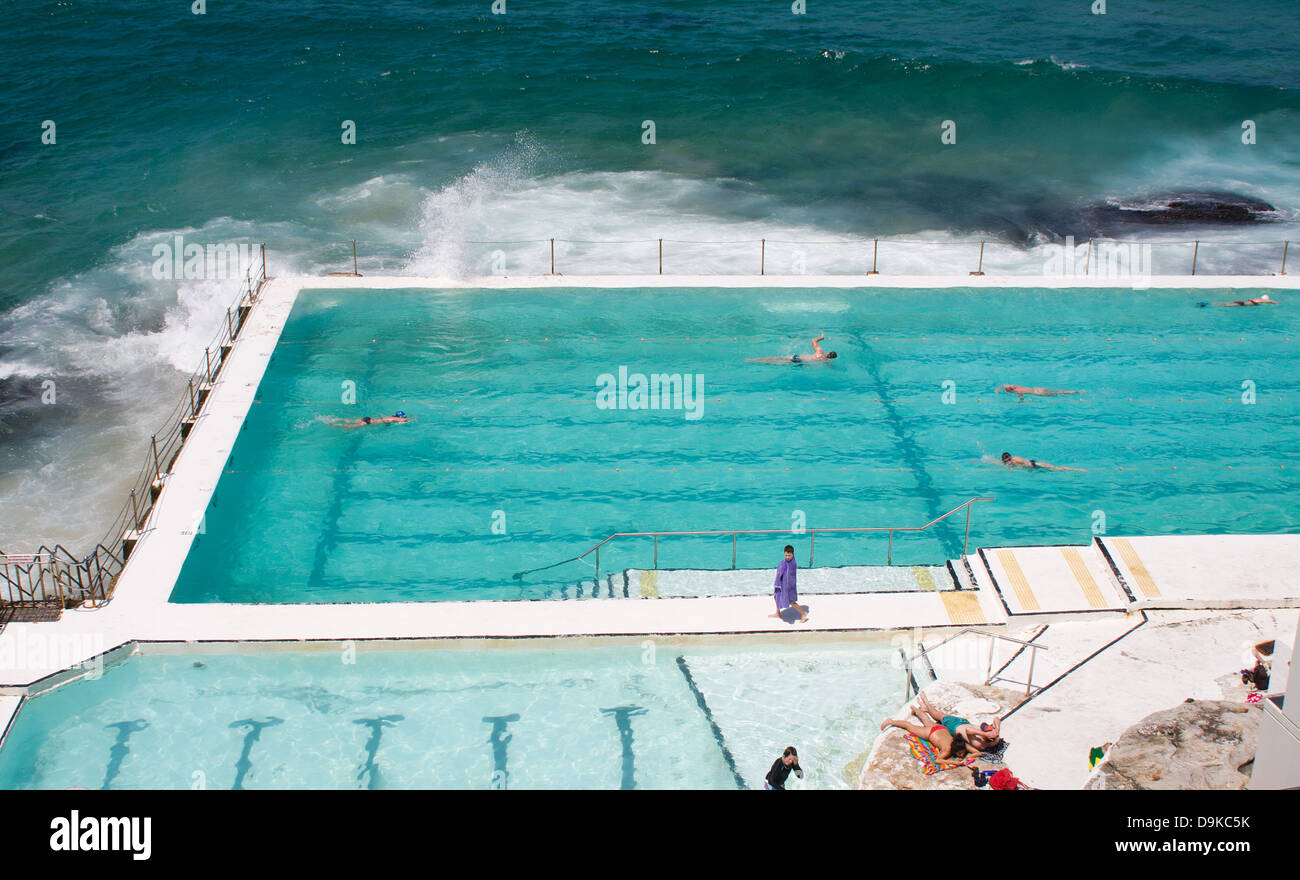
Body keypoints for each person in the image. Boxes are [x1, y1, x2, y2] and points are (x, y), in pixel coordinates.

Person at [878, 698, 970, 762]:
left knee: (926, 719)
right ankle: (890, 722)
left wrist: (966, 757)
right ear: (955, 749)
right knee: (909, 726)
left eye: (963, 753)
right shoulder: (948, 751)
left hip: (941, 729)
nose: (962, 755)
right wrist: (956, 763)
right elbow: (938, 760)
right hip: (931, 733)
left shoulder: (960, 743)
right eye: (961, 753)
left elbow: (977, 753)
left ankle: (915, 709)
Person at [769, 544, 808, 622]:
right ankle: (778, 613)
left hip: (789, 587)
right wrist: (778, 583)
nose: (787, 557)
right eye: (786, 555)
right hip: (782, 584)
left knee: (791, 601)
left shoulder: (792, 564)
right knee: (777, 597)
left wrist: (785, 587)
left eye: (789, 555)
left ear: (793, 555)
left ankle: (803, 614)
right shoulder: (784, 563)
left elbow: (789, 576)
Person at [747, 333, 838, 365]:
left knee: (777, 358)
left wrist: (821, 338)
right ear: (831, 358)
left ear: (829, 352)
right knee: (775, 362)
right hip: (799, 362)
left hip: (798, 357)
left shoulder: (820, 352)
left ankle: (755, 359)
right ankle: (755, 360)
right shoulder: (825, 361)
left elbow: (813, 340)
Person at [1000, 452, 1085, 472]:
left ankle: (1078, 469)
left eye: (1009, 460)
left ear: (1011, 457)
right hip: (1034, 465)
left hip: (1035, 464)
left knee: (1057, 469)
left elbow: (1028, 464)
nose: (1008, 462)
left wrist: (1031, 472)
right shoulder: (1009, 461)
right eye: (1006, 461)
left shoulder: (1016, 460)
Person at [323, 411, 412, 428]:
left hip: (368, 418)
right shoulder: (395, 418)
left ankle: (335, 419)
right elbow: (405, 420)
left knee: (350, 421)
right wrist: (413, 420)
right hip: (368, 422)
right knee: (348, 427)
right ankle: (331, 424)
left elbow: (387, 422)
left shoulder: (390, 417)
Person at [996, 384, 1083, 401]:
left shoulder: (1018, 391)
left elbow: (1021, 398)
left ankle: (1074, 392)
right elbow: (1004, 385)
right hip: (1038, 389)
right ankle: (1074, 391)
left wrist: (1020, 400)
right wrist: (998, 389)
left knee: (1058, 393)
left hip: (1039, 393)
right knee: (1058, 392)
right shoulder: (1016, 386)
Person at [1209, 294, 1278, 307]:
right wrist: (1277, 303)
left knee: (1225, 304)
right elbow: (1271, 301)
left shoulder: (1257, 298)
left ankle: (1213, 303)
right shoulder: (1261, 300)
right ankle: (1211, 304)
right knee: (1227, 305)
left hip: (1242, 302)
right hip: (1242, 304)